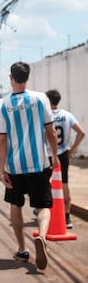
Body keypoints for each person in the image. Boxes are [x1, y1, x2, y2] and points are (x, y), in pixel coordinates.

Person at [0, 62, 59, 271]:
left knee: (16, 206)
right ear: (27, 77)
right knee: (43, 206)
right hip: (39, 165)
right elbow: (50, 132)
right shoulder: (41, 99)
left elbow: (1, 140)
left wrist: (2, 168)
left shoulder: (2, 105)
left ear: (11, 78)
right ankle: (40, 235)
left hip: (14, 167)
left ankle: (22, 249)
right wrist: (55, 156)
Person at [45, 89, 85, 228]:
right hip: (63, 153)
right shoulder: (67, 115)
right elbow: (81, 132)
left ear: (48, 101)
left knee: (46, 184)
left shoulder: (45, 116)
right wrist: (72, 149)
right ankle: (67, 217)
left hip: (49, 154)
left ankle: (47, 212)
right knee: (64, 183)